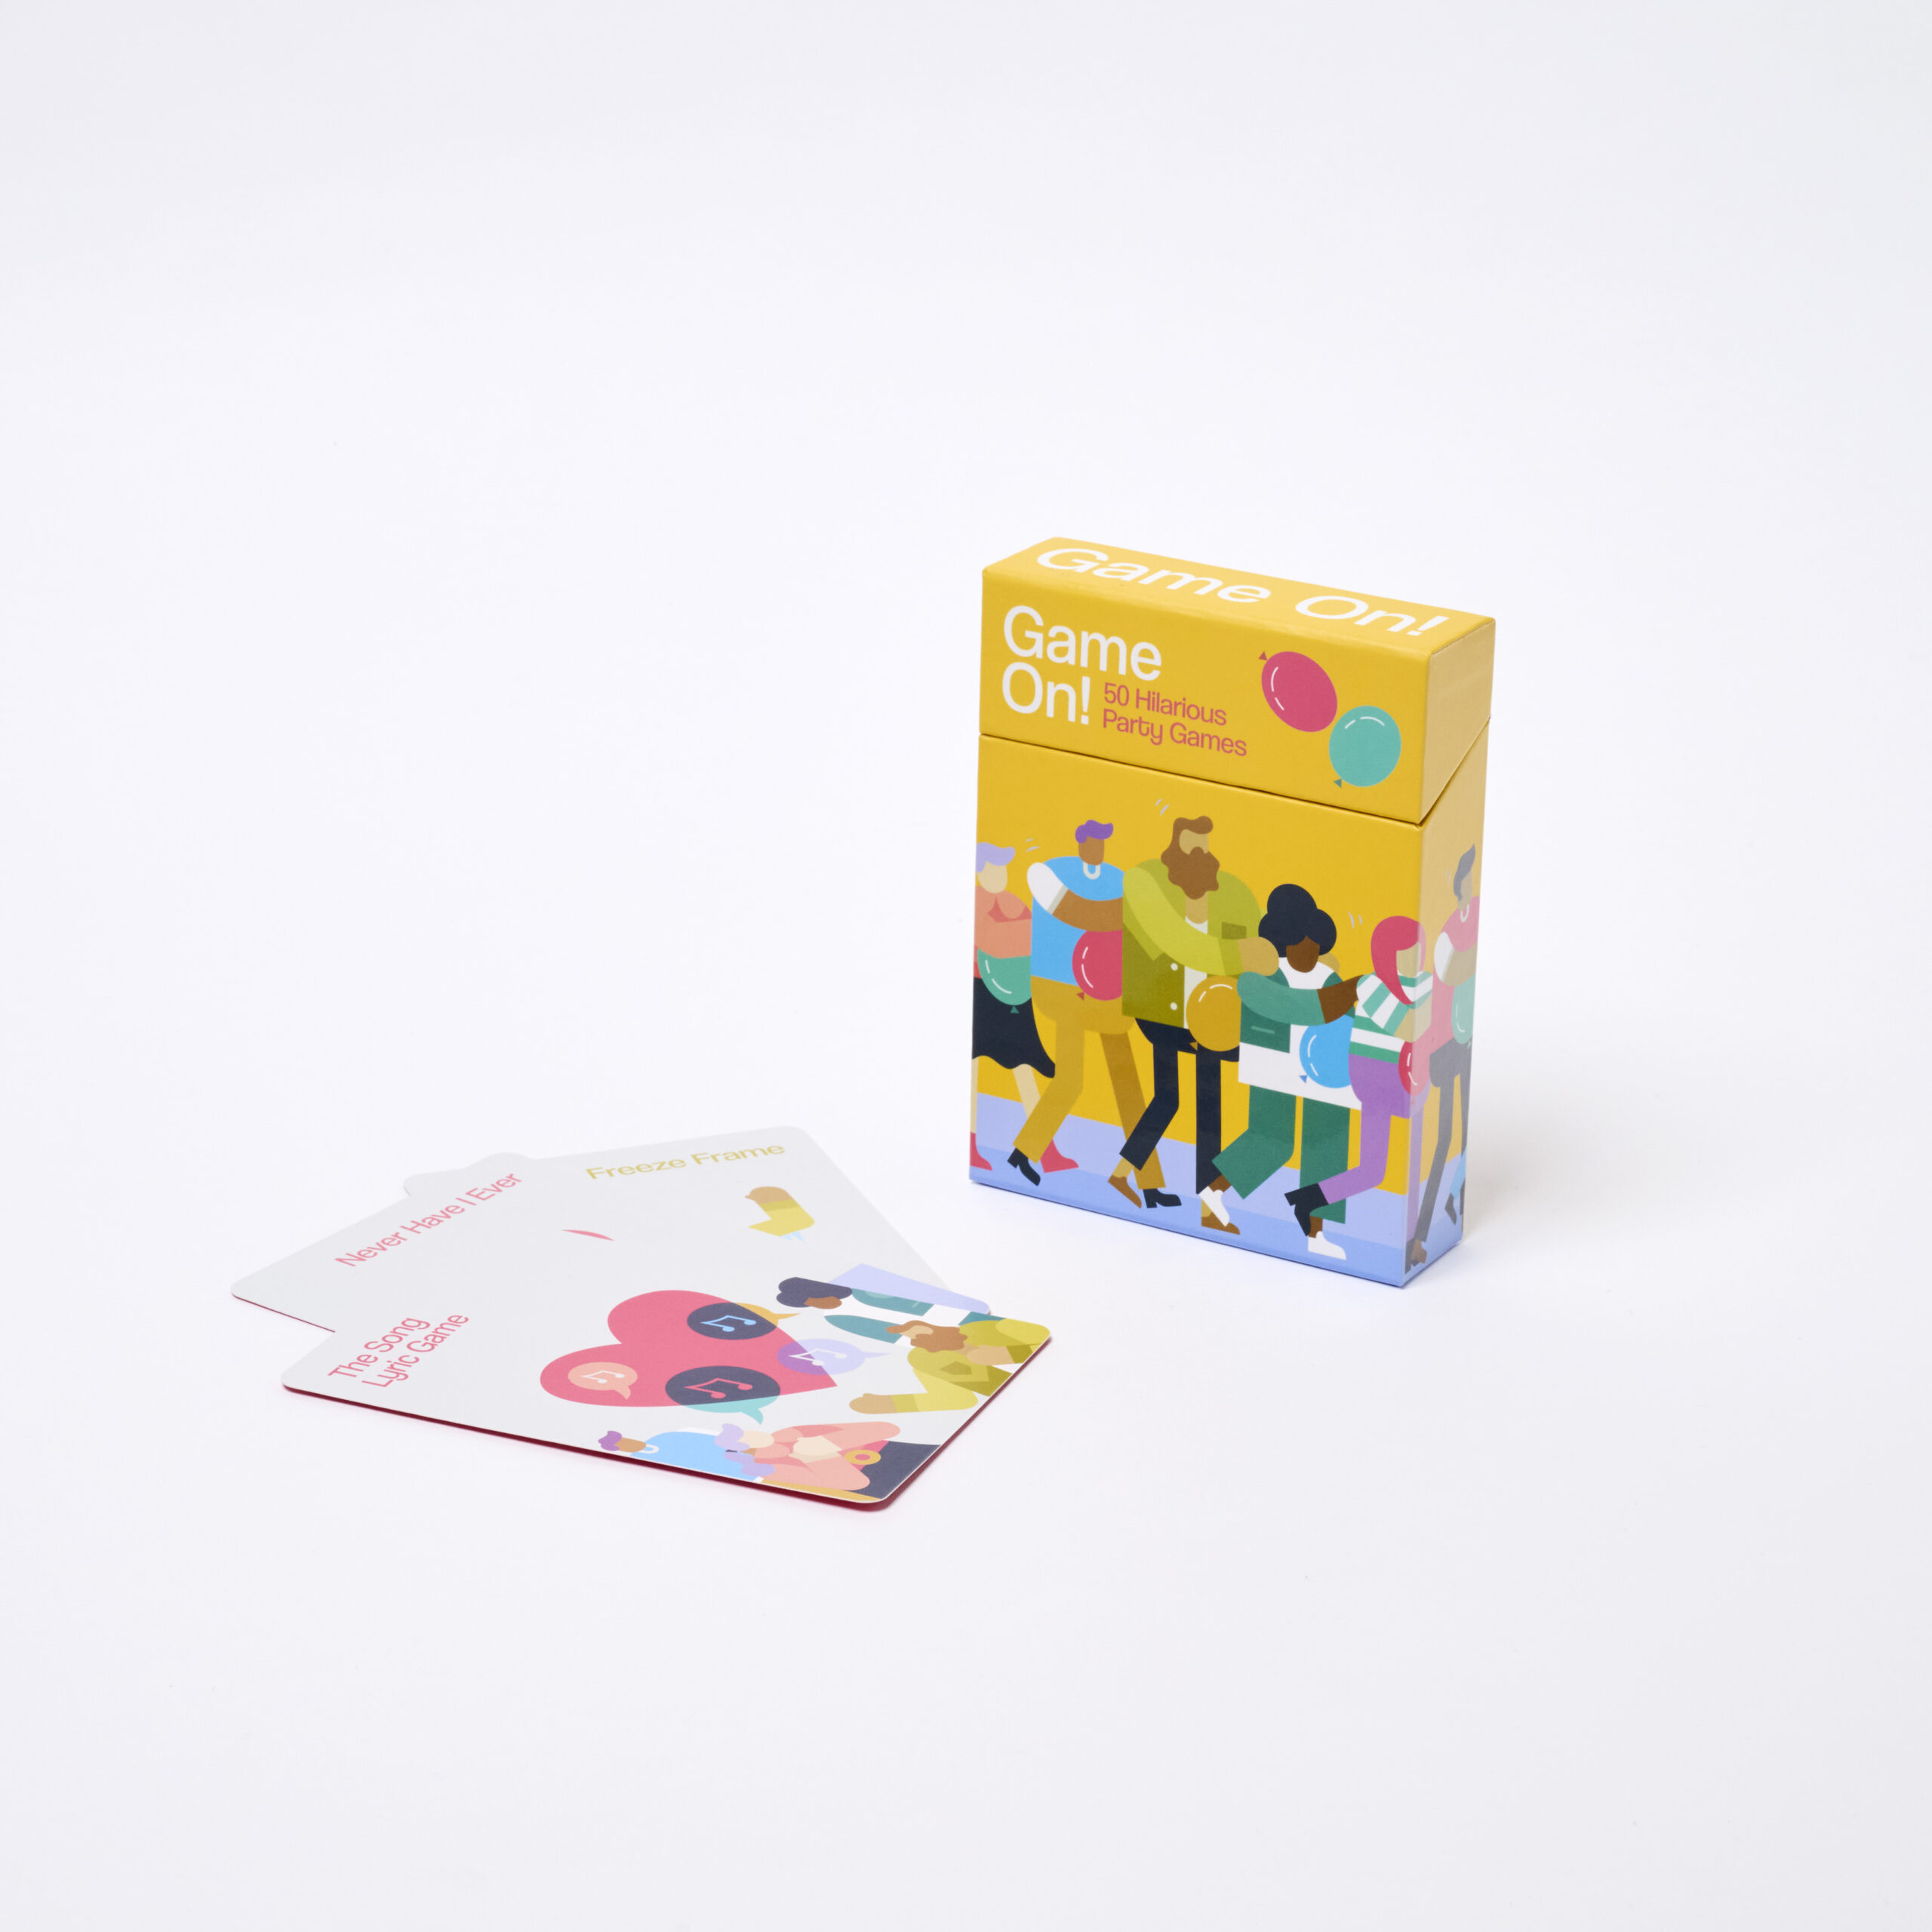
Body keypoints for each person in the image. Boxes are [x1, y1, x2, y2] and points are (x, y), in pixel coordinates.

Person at [1112, 816, 1275, 1225]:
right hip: (1163, 1015)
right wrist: (1243, 954)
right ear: (1173, 851)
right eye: (1191, 846)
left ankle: (1123, 1175)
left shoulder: (1229, 895)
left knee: (1177, 1100)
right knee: (1202, 1102)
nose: (1201, 854)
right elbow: (1182, 945)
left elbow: (1258, 940)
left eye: (1205, 846)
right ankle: (1207, 1207)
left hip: (1210, 1016)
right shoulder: (1147, 886)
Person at [1008, 820, 1162, 1201]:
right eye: (1093, 840)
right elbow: (1077, 914)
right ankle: (1023, 1153)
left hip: (1108, 992)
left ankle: (1150, 1182)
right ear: (1080, 843)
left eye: (1103, 841)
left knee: (1128, 1083)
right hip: (1063, 988)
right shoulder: (1052, 872)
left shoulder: (1117, 878)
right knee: (1071, 1080)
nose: (1099, 848)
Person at [1203, 884, 1358, 1250]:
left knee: (1328, 1139)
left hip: (1322, 1068)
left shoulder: (1328, 978)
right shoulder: (1261, 977)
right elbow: (1292, 1007)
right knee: (1273, 1139)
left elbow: (1345, 1021)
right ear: (1287, 940)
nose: (1311, 951)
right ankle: (1212, 1193)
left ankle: (1315, 1230)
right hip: (1274, 1063)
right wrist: (1342, 997)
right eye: (1304, 942)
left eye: (1316, 944)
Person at [1285, 915, 1430, 1235]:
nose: (1417, 955)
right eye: (1409, 949)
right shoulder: (1370, 985)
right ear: (1391, 953)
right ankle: (1307, 1200)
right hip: (1375, 1078)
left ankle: (1306, 1198)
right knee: (1374, 1171)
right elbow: (1409, 1027)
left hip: (1412, 1078)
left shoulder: (1424, 983)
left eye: (1420, 948)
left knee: (1407, 1160)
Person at [970, 841, 1074, 1174]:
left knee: (1025, 1064)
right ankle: (973, 1145)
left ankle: (1045, 1151)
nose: (1000, 874)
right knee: (976, 1066)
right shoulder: (978, 902)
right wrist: (1029, 932)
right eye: (993, 868)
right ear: (979, 871)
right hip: (984, 987)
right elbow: (994, 941)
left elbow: (1035, 938)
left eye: (1002, 867)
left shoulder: (1013, 902)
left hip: (1016, 989)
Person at [1407, 846, 1479, 1269]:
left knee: (1461, 1133)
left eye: (1470, 881)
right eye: (1464, 882)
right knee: (1444, 1137)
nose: (1468, 889)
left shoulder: (1470, 918)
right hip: (1445, 1043)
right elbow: (1452, 970)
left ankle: (1453, 1199)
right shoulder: (1450, 929)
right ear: (1457, 888)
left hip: (1463, 1038)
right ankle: (1419, 1236)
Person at [847, 1315, 1051, 1414]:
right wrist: (889, 1403)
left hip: (1050, 1373)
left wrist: (1010, 1354)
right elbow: (958, 1400)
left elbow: (1039, 1335)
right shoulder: (923, 1361)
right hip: (1015, 1407)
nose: (915, 1338)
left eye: (920, 1331)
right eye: (910, 1337)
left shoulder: (984, 1327)